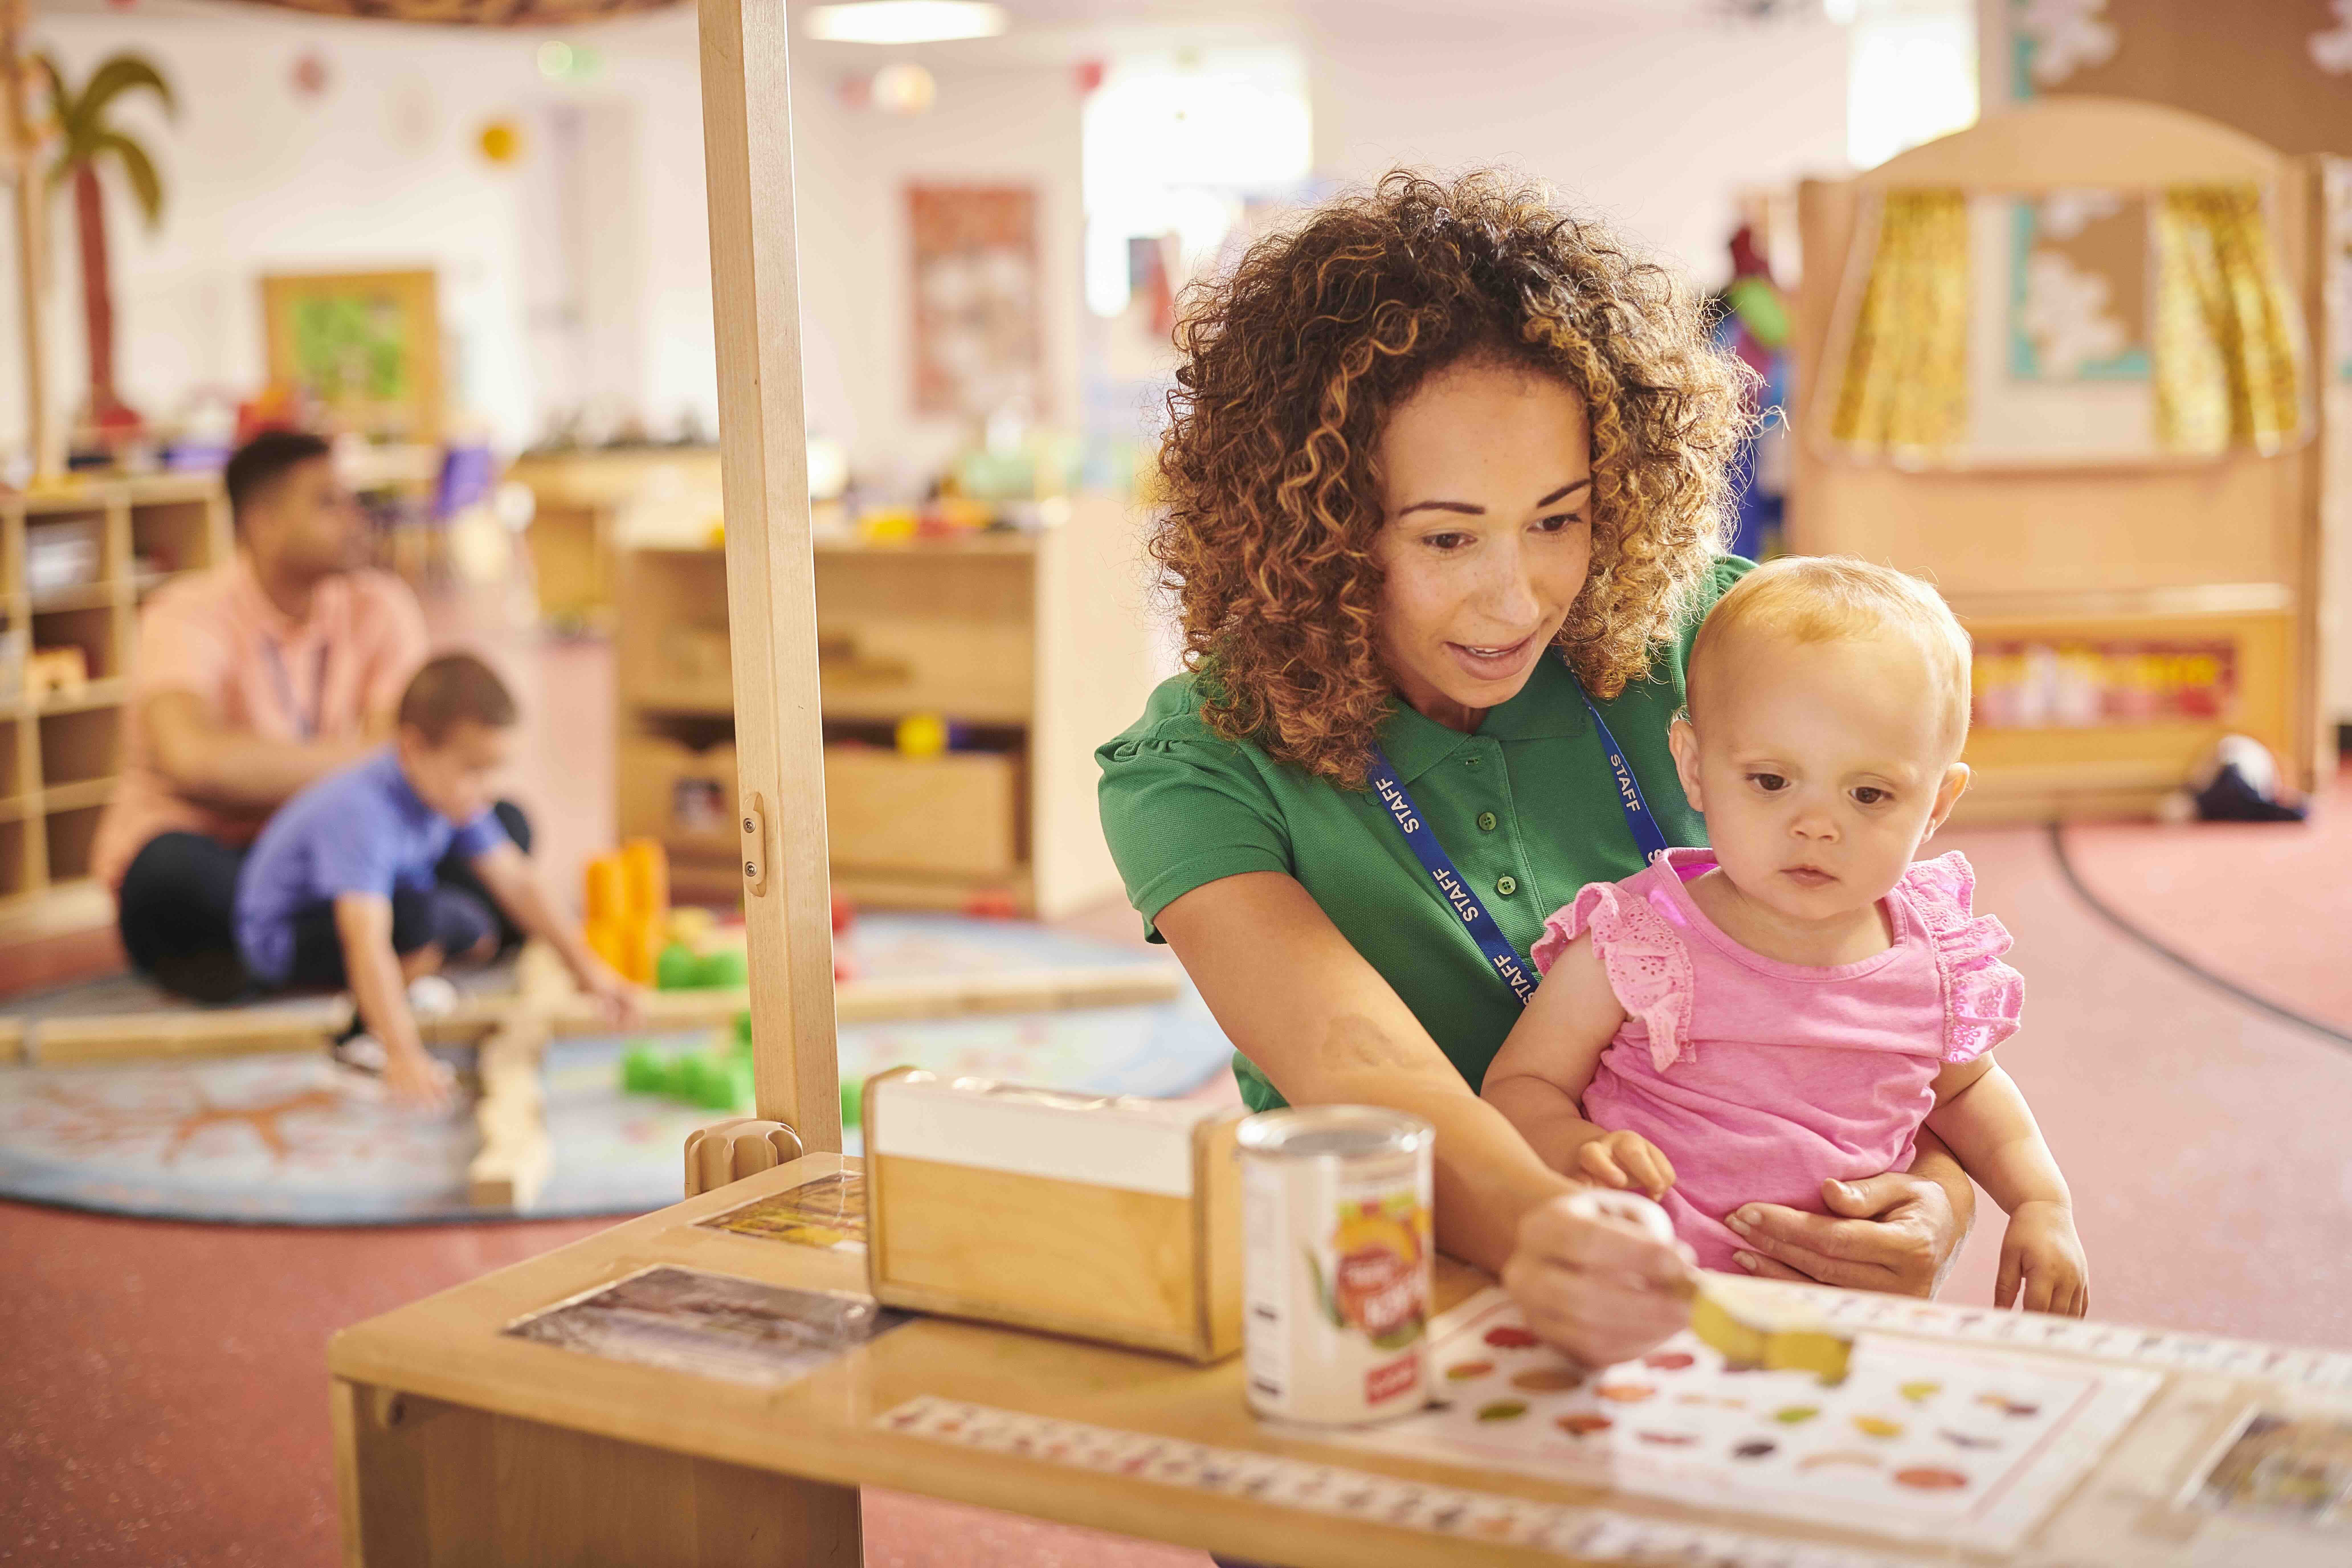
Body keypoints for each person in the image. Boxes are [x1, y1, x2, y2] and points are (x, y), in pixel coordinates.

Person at [1097, 170, 1977, 1370]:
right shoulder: (1195, 764)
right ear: (1316, 525)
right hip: (1380, 1291)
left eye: (1559, 519)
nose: (1517, 600)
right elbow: (1356, 1062)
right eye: (1448, 536)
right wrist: (1545, 1230)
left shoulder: (1723, 649)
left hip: (1751, 1292)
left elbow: (1897, 966)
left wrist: (1934, 1194)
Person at [1483, 558, 2088, 1317]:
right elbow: (1521, 1086)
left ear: (1937, 804)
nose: (1816, 824)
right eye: (1771, 781)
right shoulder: (1646, 938)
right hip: (1648, 1308)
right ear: (1696, 768)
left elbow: (1971, 1093)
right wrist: (1569, 1150)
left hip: (1852, 1312)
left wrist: (2042, 1206)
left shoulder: (1931, 958)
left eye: (1869, 794)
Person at [93, 430, 527, 1001]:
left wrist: (274, 768)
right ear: (262, 520)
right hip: (224, 850)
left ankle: (313, 950)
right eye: (329, 503)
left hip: (351, 841)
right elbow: (193, 760)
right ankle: (415, 929)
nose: (357, 518)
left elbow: (411, 763)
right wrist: (371, 763)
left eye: (351, 499)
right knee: (170, 881)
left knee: (507, 825)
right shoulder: (184, 614)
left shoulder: (381, 604)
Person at [234, 654, 634, 1108]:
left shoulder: (447, 793)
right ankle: (360, 1038)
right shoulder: (362, 813)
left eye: (495, 770)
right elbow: (364, 940)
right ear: (413, 749)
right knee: (419, 923)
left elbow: (517, 882)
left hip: (379, 903)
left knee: (470, 920)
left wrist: (591, 973)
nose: (486, 788)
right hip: (282, 942)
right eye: (473, 770)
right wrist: (404, 1055)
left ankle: (399, 992)